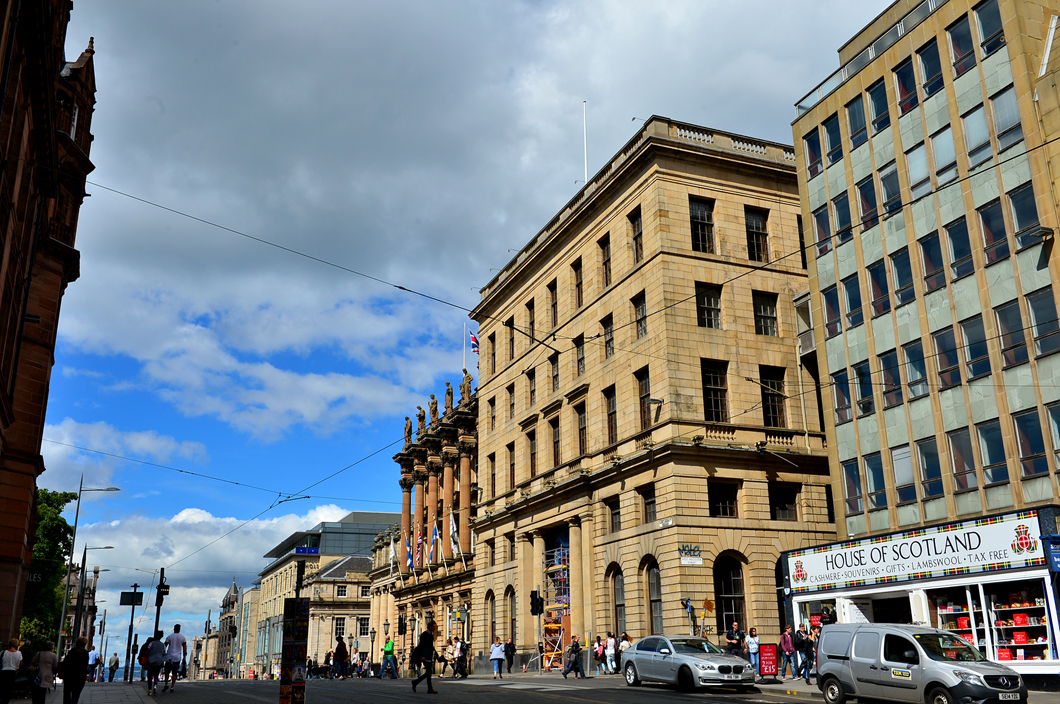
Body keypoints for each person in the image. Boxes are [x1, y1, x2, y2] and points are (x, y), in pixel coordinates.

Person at [410, 620, 441, 694]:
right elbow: (421, 646)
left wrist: (436, 654)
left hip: (429, 655)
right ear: (430, 627)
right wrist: (421, 656)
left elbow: (431, 646)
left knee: (429, 672)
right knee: (429, 671)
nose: (435, 628)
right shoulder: (424, 634)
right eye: (434, 626)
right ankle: (429, 688)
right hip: (425, 655)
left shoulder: (431, 635)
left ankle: (416, 682)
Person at [61, 637, 90, 704]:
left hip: (70, 675)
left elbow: (66, 662)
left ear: (78, 643)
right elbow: (85, 665)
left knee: (67, 693)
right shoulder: (86, 653)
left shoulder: (73, 651)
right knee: (76, 694)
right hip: (80, 676)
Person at [162, 623, 187, 693]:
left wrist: (163, 653)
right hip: (177, 657)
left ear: (174, 629)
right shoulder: (182, 637)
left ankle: (166, 684)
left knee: (167, 671)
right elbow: (184, 648)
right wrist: (184, 657)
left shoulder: (169, 637)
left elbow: (164, 646)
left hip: (169, 656)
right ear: (179, 629)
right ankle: (172, 686)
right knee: (175, 672)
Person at [1, 638, 22, 704]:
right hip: (12, 672)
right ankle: (5, 701)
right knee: (9, 689)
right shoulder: (18, 653)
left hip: (3, 671)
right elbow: (20, 663)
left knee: (2, 688)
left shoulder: (3, 652)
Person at [146, 631, 167, 695]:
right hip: (158, 662)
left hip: (151, 661)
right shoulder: (163, 645)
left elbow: (147, 651)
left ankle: (150, 689)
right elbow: (163, 653)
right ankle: (155, 685)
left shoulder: (151, 643)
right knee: (156, 674)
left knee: (150, 675)